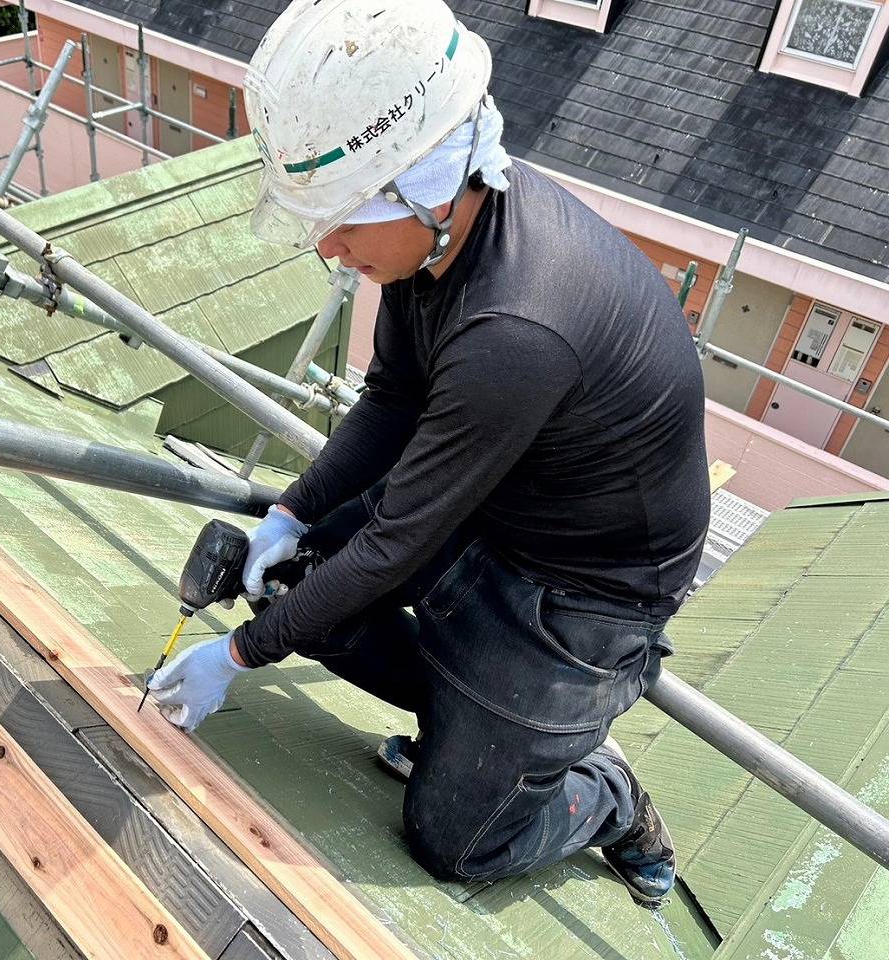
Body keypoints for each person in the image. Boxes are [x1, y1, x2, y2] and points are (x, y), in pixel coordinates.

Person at [145, 0, 709, 908]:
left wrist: (240, 656)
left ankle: (601, 793)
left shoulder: (516, 327)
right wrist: (290, 514)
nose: (330, 246)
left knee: (457, 840)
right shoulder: (433, 246)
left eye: (345, 219)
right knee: (291, 581)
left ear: (426, 186)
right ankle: (472, 736)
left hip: (590, 587)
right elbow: (392, 399)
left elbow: (395, 542)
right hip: (498, 497)